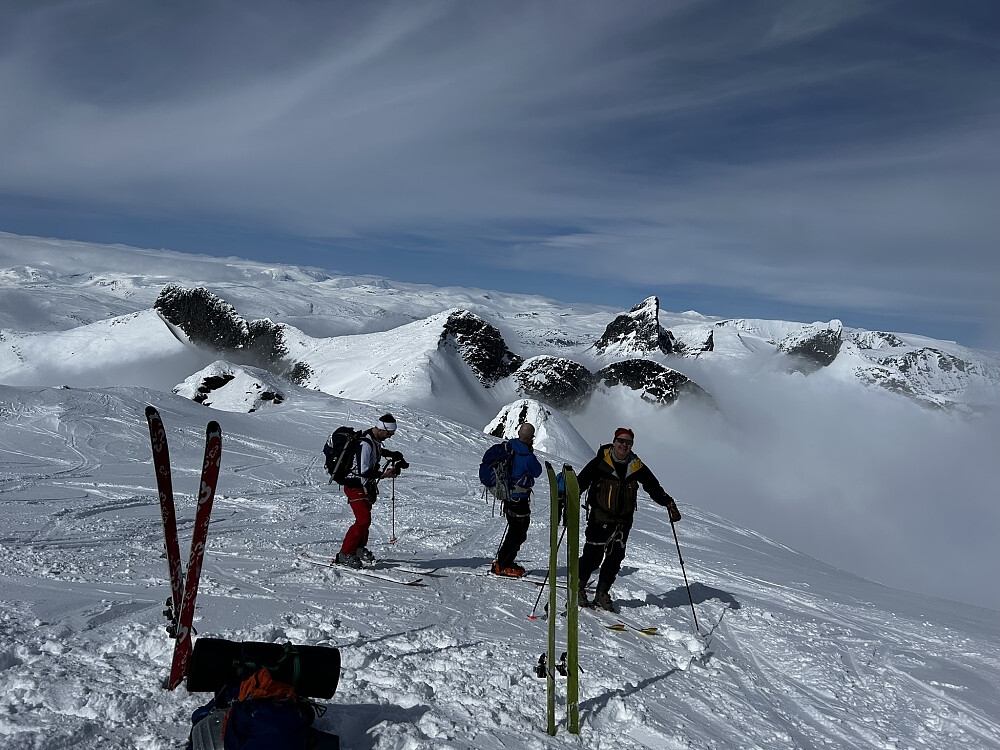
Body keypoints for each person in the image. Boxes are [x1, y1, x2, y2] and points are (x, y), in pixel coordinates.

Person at [576, 427, 681, 612]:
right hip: (599, 518)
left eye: (628, 442)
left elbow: (652, 485)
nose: (624, 445)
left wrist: (667, 502)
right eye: (621, 441)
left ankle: (602, 592)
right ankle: (578, 585)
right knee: (592, 557)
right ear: (614, 442)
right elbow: (581, 481)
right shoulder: (601, 462)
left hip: (623, 522)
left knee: (614, 559)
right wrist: (569, 497)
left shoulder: (636, 466)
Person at [335, 414, 407, 569]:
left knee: (364, 520)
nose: (389, 437)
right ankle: (345, 554)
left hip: (365, 486)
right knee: (363, 520)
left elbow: (377, 451)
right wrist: (384, 474)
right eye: (389, 433)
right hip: (355, 485)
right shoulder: (365, 443)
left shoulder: (373, 439)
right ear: (381, 428)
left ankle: (359, 549)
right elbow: (363, 471)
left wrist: (391, 454)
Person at [491, 422, 543, 577]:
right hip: (519, 499)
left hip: (508, 496)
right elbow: (537, 471)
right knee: (518, 533)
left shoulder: (510, 447)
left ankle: (503, 562)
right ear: (530, 438)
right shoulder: (526, 456)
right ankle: (504, 564)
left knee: (515, 531)